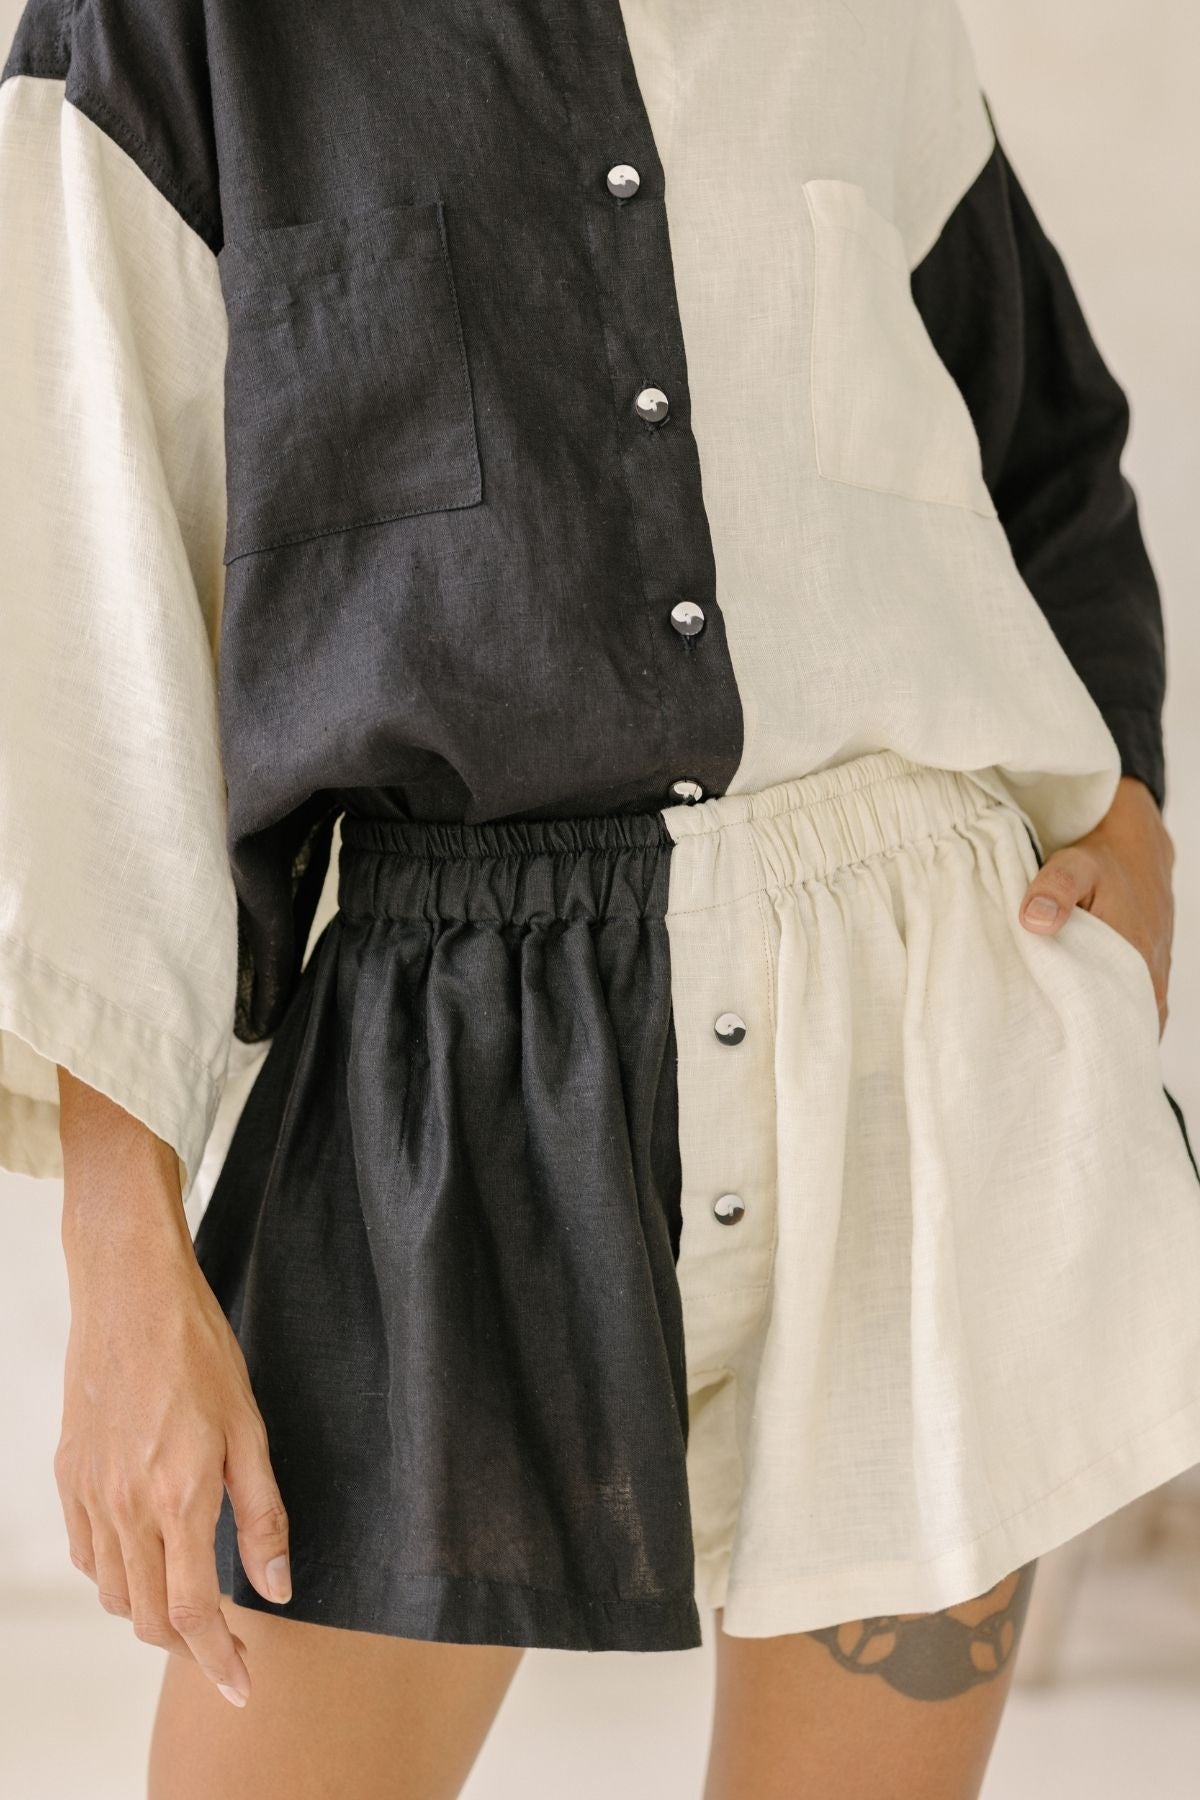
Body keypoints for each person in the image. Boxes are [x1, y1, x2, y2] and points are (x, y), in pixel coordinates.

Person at [2, 1, 1199, 1795]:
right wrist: (121, 1257)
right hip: (444, 1069)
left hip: (923, 1033)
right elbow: (79, 609)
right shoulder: (185, 26)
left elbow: (1034, 432)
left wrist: (1133, 814)